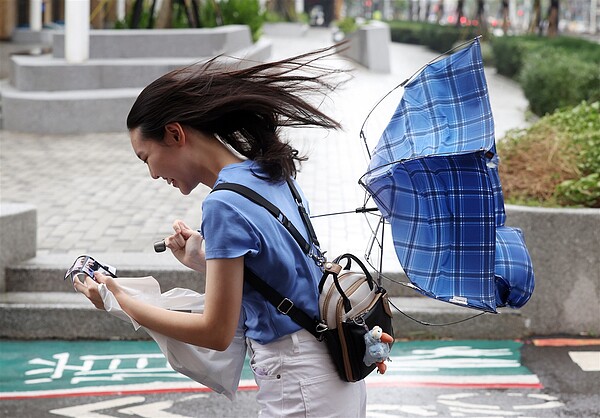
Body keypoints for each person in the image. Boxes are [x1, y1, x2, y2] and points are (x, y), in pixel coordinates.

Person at [74, 45, 367, 417]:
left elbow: (216, 332)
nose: (151, 174)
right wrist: (204, 259)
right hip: (331, 369)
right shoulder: (266, 171)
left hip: (299, 382)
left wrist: (119, 300)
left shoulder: (222, 204)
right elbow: (289, 278)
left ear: (175, 134)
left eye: (146, 157)